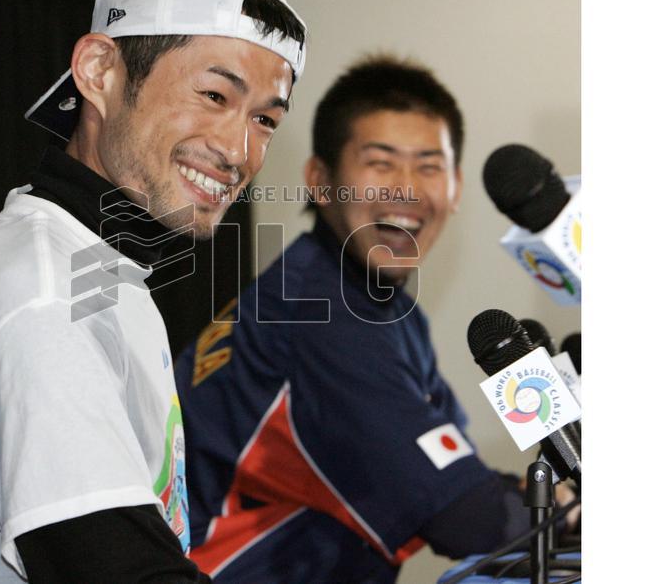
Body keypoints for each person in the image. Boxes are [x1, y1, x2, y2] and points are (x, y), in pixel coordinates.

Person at [0, 0, 306, 584]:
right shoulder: (42, 291)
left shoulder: (98, 267)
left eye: (264, 119)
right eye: (213, 94)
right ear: (99, 71)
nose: (239, 150)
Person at [174, 56, 551, 582]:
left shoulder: (374, 303)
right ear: (320, 180)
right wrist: (563, 508)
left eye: (429, 167)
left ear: (456, 187)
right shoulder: (319, 315)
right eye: (380, 163)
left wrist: (538, 496)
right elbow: (468, 520)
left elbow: (457, 471)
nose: (406, 189)